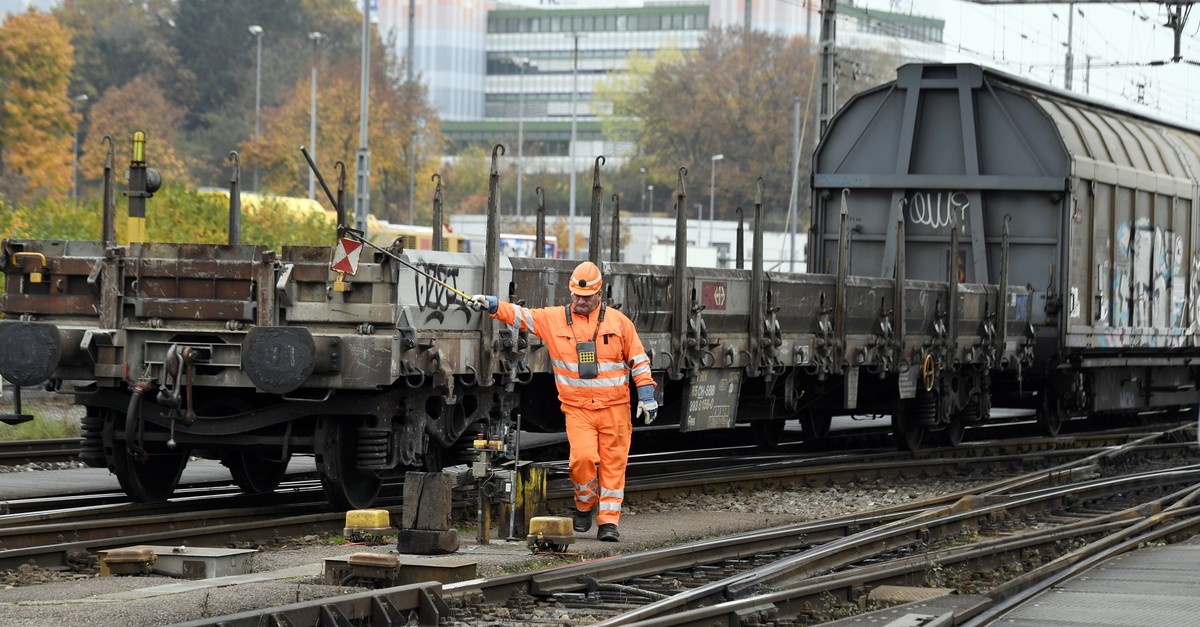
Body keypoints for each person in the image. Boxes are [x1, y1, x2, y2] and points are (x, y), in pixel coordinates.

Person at [468, 261, 657, 542]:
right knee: (581, 461)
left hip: (615, 409)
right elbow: (522, 316)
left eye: (586, 297)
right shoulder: (554, 319)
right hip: (578, 409)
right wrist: (495, 305)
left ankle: (608, 523)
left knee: (613, 466)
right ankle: (584, 505)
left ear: (599, 295)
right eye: (576, 296)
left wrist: (646, 395)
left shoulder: (619, 323)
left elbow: (639, 361)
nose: (580, 301)